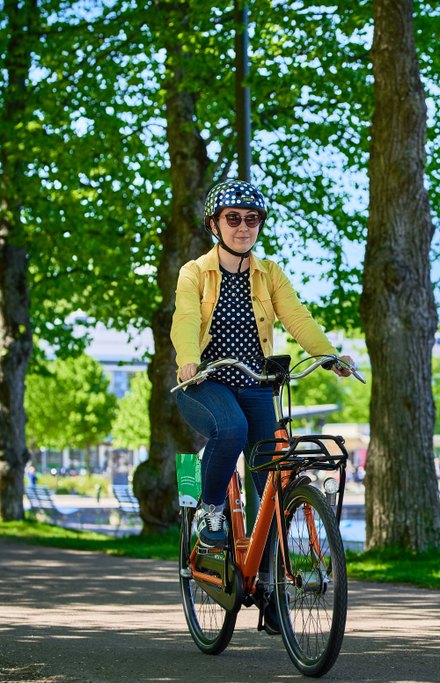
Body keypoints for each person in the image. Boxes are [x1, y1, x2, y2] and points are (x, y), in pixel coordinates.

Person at [171, 179, 354, 556]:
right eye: (233, 218)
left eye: (252, 219)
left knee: (273, 480)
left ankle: (271, 590)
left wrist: (328, 355)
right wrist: (190, 360)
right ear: (214, 225)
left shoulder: (269, 273)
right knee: (232, 428)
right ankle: (212, 511)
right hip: (206, 383)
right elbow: (186, 318)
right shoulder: (194, 272)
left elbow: (298, 318)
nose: (243, 227)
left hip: (257, 384)